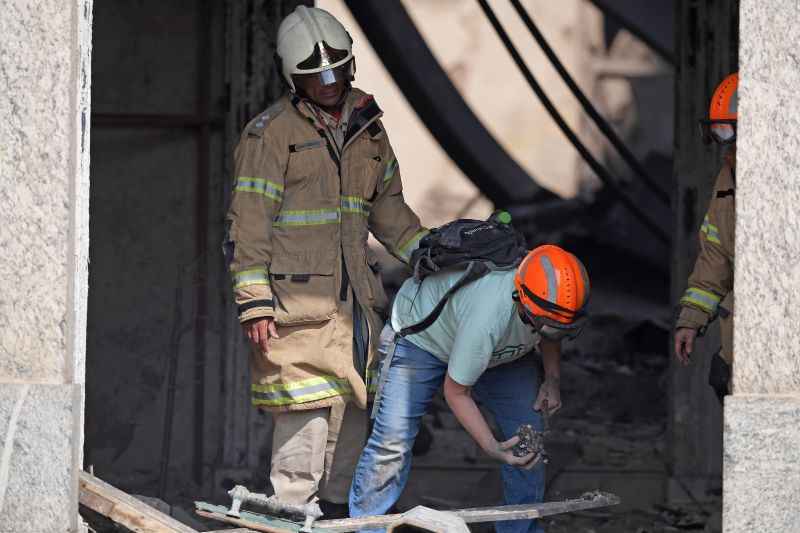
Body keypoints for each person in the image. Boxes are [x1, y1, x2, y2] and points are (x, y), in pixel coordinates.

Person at [223, 6, 427, 516]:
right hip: (296, 309)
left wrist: (429, 250)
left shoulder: (368, 127)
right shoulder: (268, 135)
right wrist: (255, 303)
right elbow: (248, 226)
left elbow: (389, 209)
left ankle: (336, 518)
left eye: (338, 71)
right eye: (317, 76)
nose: (331, 83)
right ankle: (290, 516)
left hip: (355, 306)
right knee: (304, 420)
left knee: (354, 414)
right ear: (295, 79)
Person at [349, 245, 590, 533]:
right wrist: (492, 447)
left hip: (499, 350)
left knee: (527, 437)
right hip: (422, 337)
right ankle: (367, 528)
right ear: (521, 300)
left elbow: (553, 330)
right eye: (546, 326)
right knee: (393, 442)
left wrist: (552, 380)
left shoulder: (549, 303)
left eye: (560, 328)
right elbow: (456, 392)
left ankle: (519, 529)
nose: (552, 332)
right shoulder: (488, 315)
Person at [674, 73, 738, 402]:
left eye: (731, 138)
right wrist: (691, 320)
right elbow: (715, 258)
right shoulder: (728, 181)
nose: (726, 152)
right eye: (721, 138)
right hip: (742, 343)